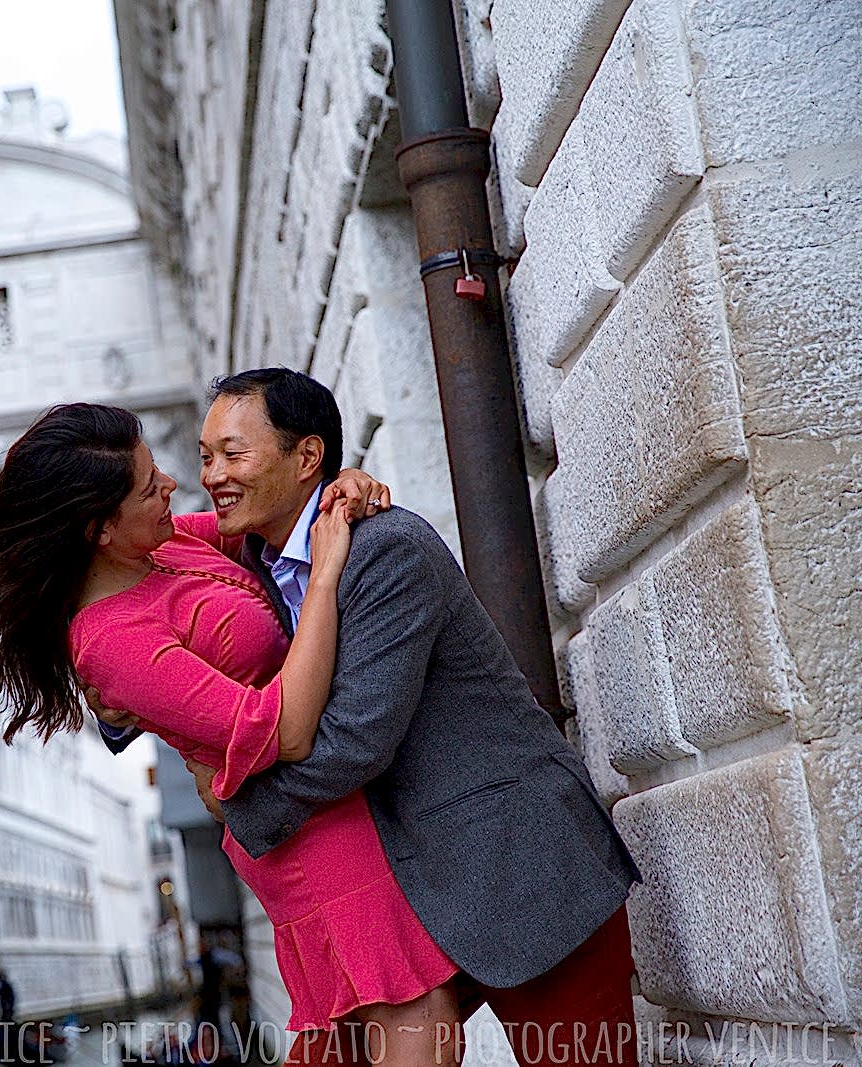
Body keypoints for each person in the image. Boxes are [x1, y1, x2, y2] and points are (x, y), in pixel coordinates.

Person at [91, 368, 644, 1067]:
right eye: (206, 456)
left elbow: (354, 742)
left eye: (232, 454)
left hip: (518, 867)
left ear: (307, 457)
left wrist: (244, 811)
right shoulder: (246, 557)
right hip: (403, 893)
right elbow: (121, 597)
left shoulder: (387, 550)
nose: (210, 476)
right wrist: (105, 690)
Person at [0, 403, 458, 1067]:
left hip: (336, 800)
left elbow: (266, 525)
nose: (170, 483)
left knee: (365, 1034)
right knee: (419, 1017)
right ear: (98, 529)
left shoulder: (162, 545)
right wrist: (328, 574)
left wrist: (340, 488)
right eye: (147, 484)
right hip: (306, 833)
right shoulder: (111, 642)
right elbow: (284, 730)